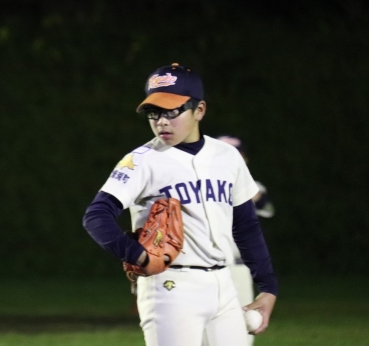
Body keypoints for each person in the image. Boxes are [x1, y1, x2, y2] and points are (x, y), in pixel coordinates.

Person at [82, 63, 278, 346]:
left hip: (225, 284)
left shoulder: (227, 156)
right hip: (170, 287)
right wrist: (137, 255)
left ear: (199, 110)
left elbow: (246, 225)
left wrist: (268, 287)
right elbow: (96, 216)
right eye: (154, 111)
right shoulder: (141, 161)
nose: (161, 121)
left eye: (172, 111)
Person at [205, 135, 276, 346]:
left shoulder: (252, 186)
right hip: (203, 268)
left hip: (238, 268)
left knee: (242, 328)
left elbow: (265, 205)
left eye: (237, 154)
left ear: (244, 158)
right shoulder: (197, 185)